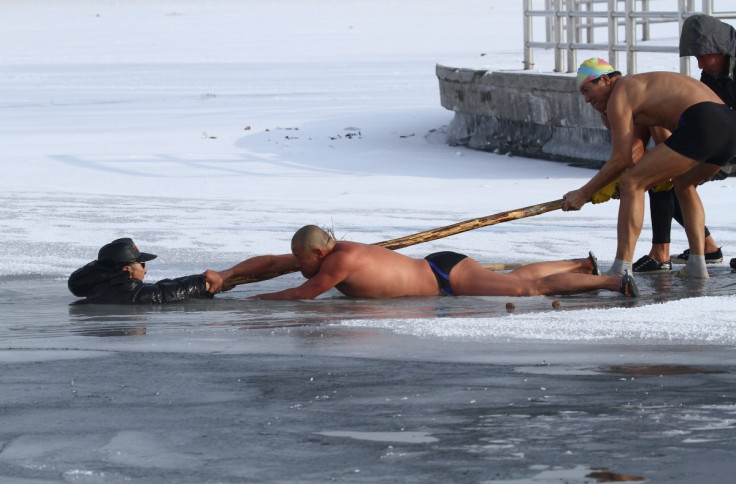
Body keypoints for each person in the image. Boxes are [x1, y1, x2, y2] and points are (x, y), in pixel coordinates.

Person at [563, 60, 736, 278]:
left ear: (606, 80)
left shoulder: (621, 92)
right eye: (582, 95)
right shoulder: (645, 90)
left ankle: (621, 269)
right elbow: (657, 144)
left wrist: (584, 193)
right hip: (729, 127)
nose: (587, 99)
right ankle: (697, 264)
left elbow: (620, 159)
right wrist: (646, 177)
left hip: (702, 121)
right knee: (683, 184)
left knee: (631, 183)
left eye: (587, 90)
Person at [210, 225, 639, 299]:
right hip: (441, 268)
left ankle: (607, 283)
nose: (295, 264)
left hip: (442, 275)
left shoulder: (336, 264)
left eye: (301, 260)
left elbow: (303, 293)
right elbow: (271, 261)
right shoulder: (326, 254)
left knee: (524, 289)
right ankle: (578, 264)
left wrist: (253, 306)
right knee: (511, 279)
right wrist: (227, 275)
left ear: (319, 254)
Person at [68, 237, 219, 304]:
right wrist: (202, 282)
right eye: (142, 265)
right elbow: (163, 293)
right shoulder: (126, 291)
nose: (145, 271)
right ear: (126, 269)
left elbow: (159, 286)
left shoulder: (103, 287)